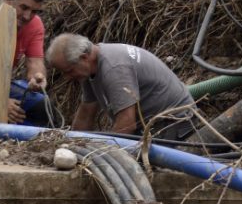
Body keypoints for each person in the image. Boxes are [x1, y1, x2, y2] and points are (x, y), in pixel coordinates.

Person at [48, 33, 197, 141]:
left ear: (84, 57)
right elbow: (86, 113)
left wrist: (104, 154)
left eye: (69, 71)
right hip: (153, 126)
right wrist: (72, 144)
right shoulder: (89, 69)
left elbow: (127, 124)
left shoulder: (114, 68)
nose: (68, 77)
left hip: (174, 124)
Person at [6, 0, 49, 126]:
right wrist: (0, 102)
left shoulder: (35, 24)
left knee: (42, 106)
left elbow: (35, 62)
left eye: (34, 12)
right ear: (9, 0)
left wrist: (37, 79)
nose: (27, 17)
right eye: (23, 8)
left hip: (2, 84)